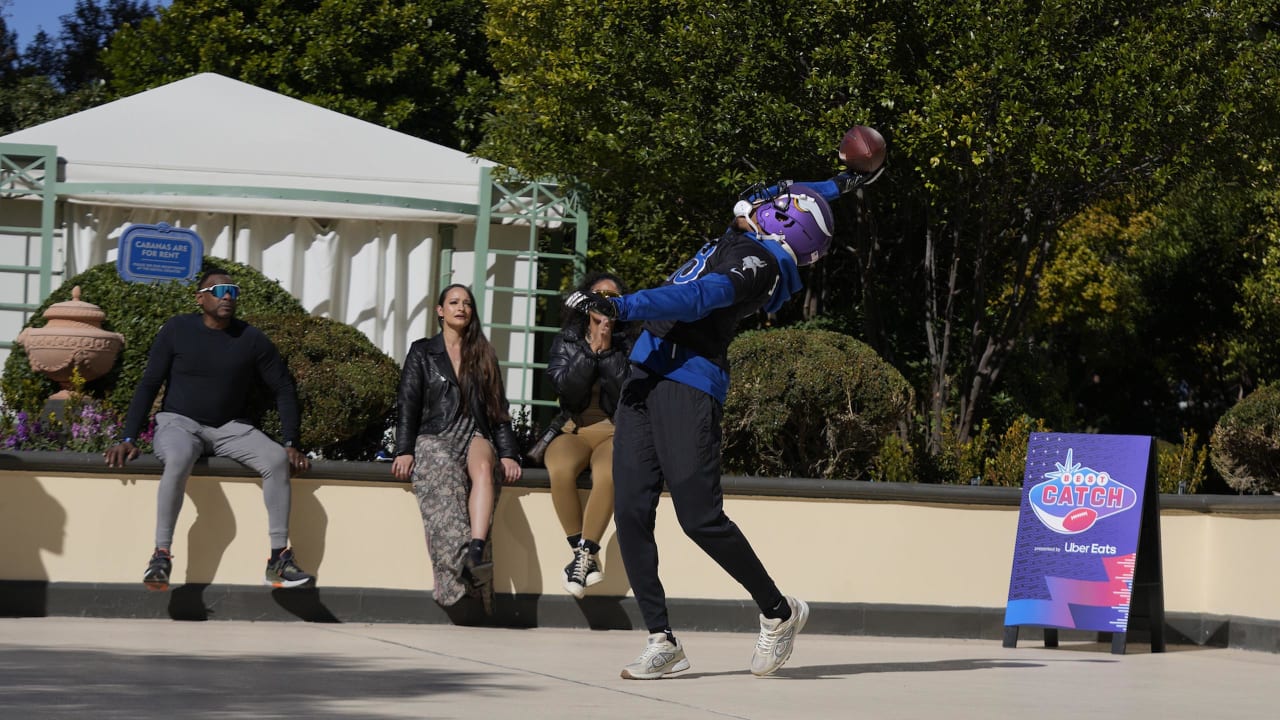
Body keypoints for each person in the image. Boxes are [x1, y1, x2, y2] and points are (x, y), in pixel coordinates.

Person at [565, 164, 883, 679]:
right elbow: (784, 195)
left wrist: (623, 305)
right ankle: (661, 640)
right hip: (647, 373)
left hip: (687, 383)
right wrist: (843, 182)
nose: (759, 202)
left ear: (782, 226)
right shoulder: (749, 237)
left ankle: (779, 612)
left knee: (699, 519)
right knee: (629, 508)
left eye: (772, 206)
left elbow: (695, 299)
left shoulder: (760, 263)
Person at [104, 266, 315, 591]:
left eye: (233, 291)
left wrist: (290, 442)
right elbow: (149, 382)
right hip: (179, 424)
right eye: (218, 291)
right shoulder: (177, 329)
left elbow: (283, 387)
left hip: (231, 429)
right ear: (200, 298)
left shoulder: (251, 339)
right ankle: (161, 555)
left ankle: (278, 560)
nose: (227, 296)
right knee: (178, 458)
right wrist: (128, 437)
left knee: (275, 460)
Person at [391, 283, 522, 613]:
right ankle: (458, 575)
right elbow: (408, 403)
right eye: (453, 302)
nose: (460, 307)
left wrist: (508, 453)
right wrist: (404, 449)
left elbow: (498, 408)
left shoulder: (483, 353)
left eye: (466, 303)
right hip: (436, 433)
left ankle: (475, 551)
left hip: (475, 430)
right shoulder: (423, 352)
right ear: (440, 310)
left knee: (482, 470)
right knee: (444, 481)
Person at [545, 271, 633, 598]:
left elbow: (628, 390)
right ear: (586, 304)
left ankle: (583, 557)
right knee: (560, 467)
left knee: (609, 473)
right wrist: (590, 351)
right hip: (575, 427)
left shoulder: (630, 342)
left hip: (615, 431)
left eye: (612, 298)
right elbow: (565, 388)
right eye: (598, 296)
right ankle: (584, 555)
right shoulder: (567, 340)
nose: (604, 304)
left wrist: (608, 351)